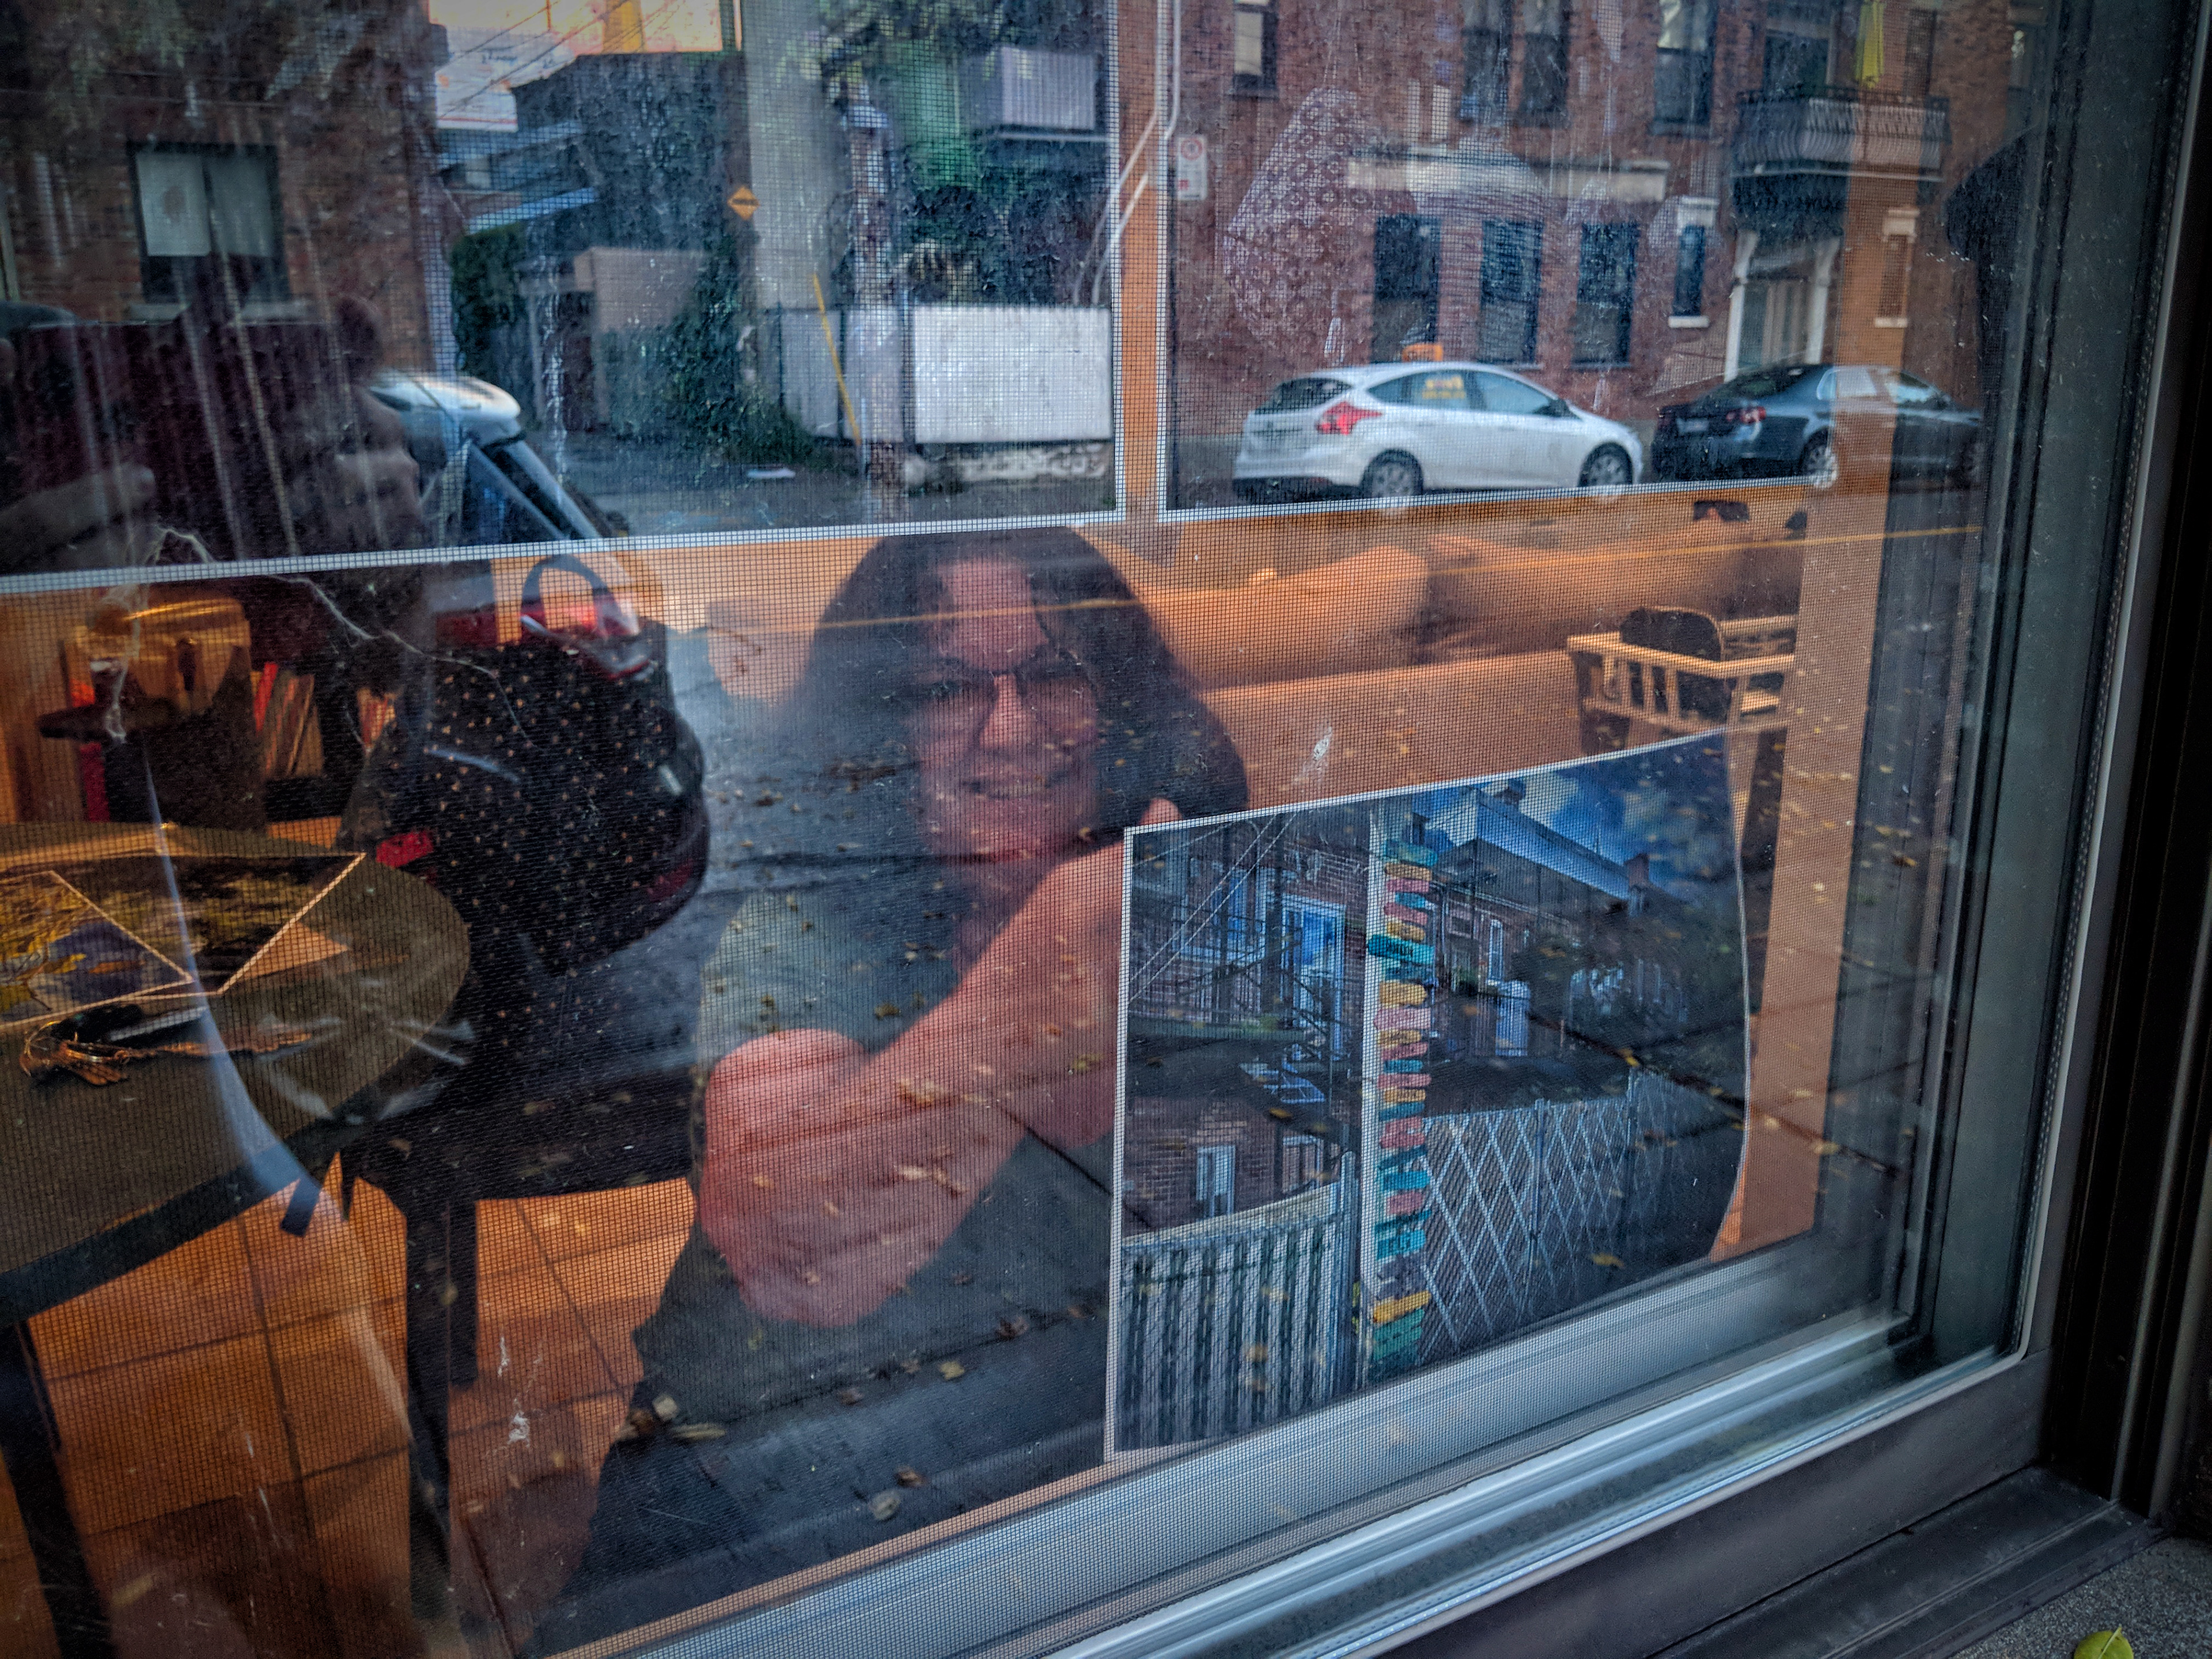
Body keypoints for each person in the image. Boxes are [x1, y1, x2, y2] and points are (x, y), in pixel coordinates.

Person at [532, 525, 1247, 1646]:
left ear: (1118, 702)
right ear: (880, 728)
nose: (1011, 728)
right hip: (764, 1506)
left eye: (1054, 673)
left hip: (1091, 1507)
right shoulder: (808, 929)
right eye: (947, 689)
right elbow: (792, 1249)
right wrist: (1041, 972)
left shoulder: (1201, 907)